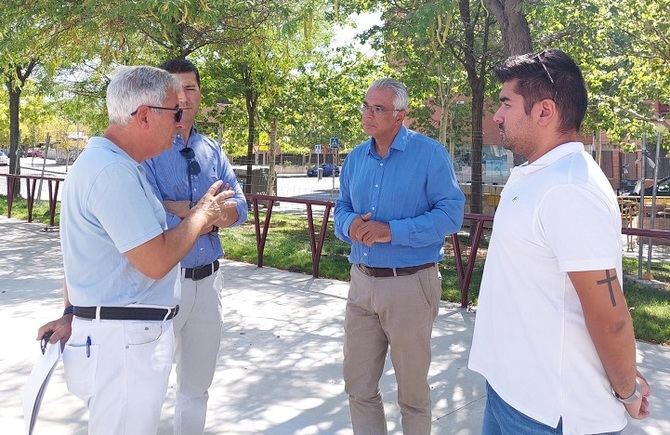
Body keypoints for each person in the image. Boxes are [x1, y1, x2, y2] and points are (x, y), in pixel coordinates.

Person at [36, 65, 234, 434]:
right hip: (121, 346)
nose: (180, 123)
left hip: (116, 338)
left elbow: (82, 258)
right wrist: (201, 214)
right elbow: (156, 260)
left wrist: (70, 312)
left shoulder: (114, 165)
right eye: (175, 112)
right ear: (144, 116)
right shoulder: (113, 173)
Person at [468, 49, 651, 435]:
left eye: (506, 103)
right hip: (509, 392)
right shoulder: (538, 175)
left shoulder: (570, 188)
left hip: (553, 413)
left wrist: (628, 389)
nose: (497, 116)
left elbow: (611, 316)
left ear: (545, 112)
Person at [335, 78, 465, 434]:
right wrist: (350, 226)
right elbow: (341, 209)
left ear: (400, 116)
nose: (368, 114)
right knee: (358, 387)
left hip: (410, 285)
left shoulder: (429, 154)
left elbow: (451, 215)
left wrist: (391, 230)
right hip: (361, 284)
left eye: (379, 108)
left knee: (412, 395)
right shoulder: (355, 158)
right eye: (366, 106)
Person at [142, 58, 248, 435]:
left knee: (196, 386)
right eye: (175, 91)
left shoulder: (211, 149)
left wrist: (197, 213)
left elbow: (241, 205)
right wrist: (202, 214)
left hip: (210, 283)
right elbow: (147, 215)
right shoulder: (147, 148)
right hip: (164, 282)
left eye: (191, 89)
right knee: (148, 385)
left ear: (200, 95)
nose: (184, 99)